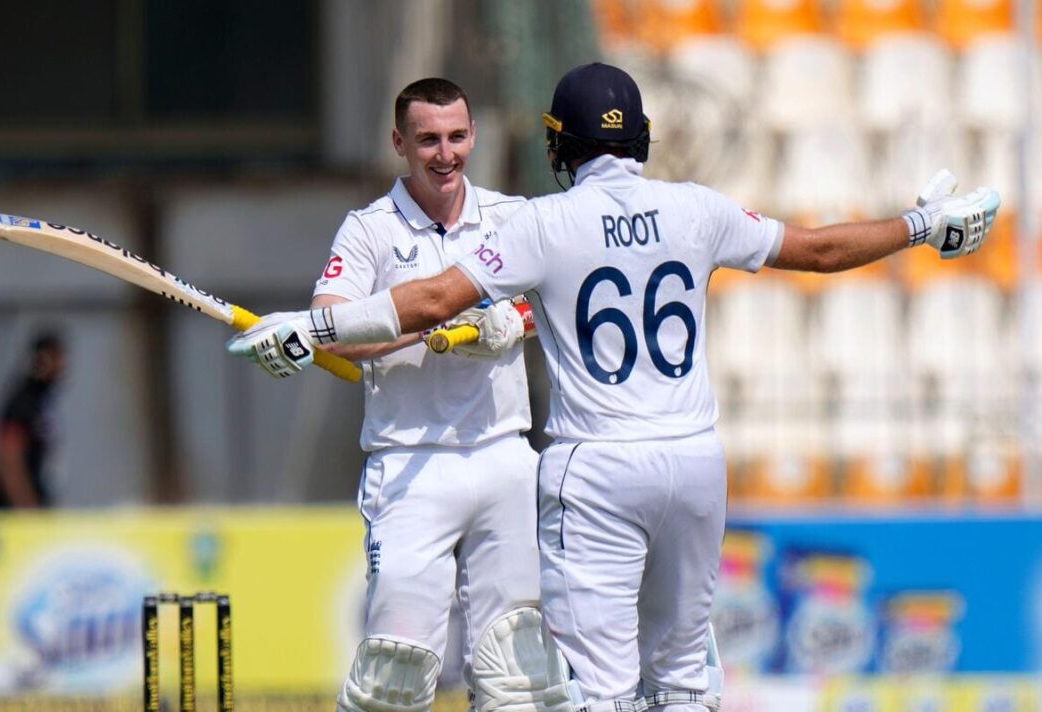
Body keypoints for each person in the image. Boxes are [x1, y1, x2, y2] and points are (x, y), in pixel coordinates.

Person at [229, 64, 1000, 711]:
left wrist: (316, 330)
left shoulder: (544, 222)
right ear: (641, 138)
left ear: (559, 144)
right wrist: (923, 223)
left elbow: (432, 301)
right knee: (685, 682)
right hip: (695, 462)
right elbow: (824, 250)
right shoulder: (696, 207)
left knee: (595, 692)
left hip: (597, 468)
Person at [240, 78, 566, 712]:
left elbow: (556, 303)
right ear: (399, 143)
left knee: (523, 676)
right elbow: (331, 327)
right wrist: (430, 324)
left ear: (472, 135)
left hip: (505, 456)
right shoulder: (369, 230)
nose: (445, 155)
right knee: (395, 675)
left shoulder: (510, 216)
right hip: (412, 465)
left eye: (456, 137)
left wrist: (511, 323)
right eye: (427, 141)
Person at [0, 330, 67, 509]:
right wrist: (28, 510)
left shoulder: (44, 402)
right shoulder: (22, 402)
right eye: (56, 358)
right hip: (17, 520)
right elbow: (9, 461)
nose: (63, 365)